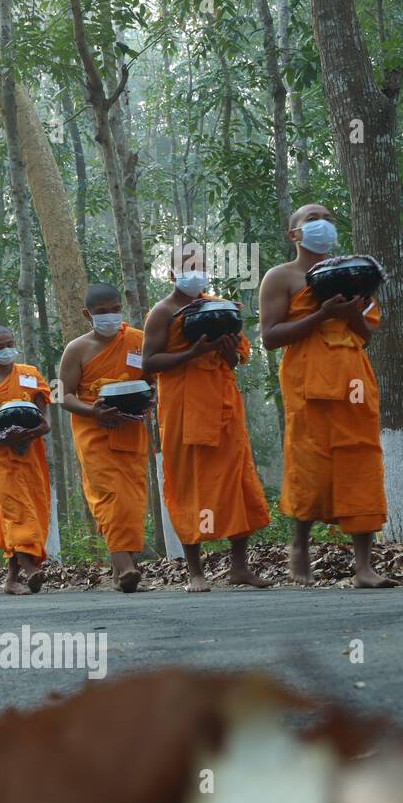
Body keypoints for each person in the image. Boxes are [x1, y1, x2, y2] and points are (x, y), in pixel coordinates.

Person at [260, 204, 397, 587]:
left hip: (353, 378)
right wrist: (321, 314)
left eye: (330, 219)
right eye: (312, 218)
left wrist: (350, 310)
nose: (323, 224)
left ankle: (364, 567)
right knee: (310, 467)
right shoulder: (282, 277)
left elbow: (365, 335)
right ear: (294, 234)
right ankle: (300, 545)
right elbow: (270, 338)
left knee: (361, 464)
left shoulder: (353, 273)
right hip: (307, 382)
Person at [142, 244, 271, 592]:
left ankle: (239, 567)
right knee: (188, 486)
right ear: (170, 274)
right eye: (186, 265)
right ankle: (195, 571)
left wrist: (227, 354)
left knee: (236, 482)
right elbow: (149, 363)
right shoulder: (163, 311)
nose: (195, 271)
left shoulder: (218, 306)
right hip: (183, 410)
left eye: (200, 264)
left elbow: (235, 358)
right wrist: (191, 353)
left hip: (223, 405)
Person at [59, 284, 152, 593]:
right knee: (109, 496)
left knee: (131, 499)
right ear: (88, 315)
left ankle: (118, 568)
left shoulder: (138, 340)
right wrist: (93, 411)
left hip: (130, 428)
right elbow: (64, 395)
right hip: (93, 430)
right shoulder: (77, 349)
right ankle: (126, 567)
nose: (110, 316)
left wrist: (148, 400)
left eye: (115, 309)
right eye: (102, 313)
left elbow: (151, 382)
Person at [0, 328, 52, 595]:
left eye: (10, 344)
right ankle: (30, 568)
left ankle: (12, 579)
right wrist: (1, 436)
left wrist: (36, 431)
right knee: (15, 509)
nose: (6, 349)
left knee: (32, 509)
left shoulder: (30, 374)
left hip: (30, 451)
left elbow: (44, 416)